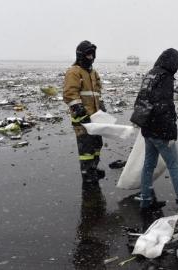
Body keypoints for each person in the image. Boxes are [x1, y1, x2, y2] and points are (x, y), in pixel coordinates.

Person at [136, 48, 178, 211]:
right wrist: (171, 133)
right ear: (170, 63)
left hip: (148, 128)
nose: (177, 68)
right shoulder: (165, 77)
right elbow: (164, 107)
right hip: (160, 130)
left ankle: (145, 200)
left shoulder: (151, 74)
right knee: (175, 166)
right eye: (177, 65)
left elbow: (143, 100)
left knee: (148, 165)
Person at [63, 40, 106, 183]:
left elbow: (97, 92)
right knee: (86, 149)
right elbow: (70, 94)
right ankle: (87, 173)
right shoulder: (74, 72)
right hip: (82, 119)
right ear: (81, 55)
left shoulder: (93, 73)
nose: (91, 58)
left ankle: (93, 167)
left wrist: (101, 105)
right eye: (88, 55)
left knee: (97, 145)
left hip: (95, 117)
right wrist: (80, 111)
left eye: (93, 55)